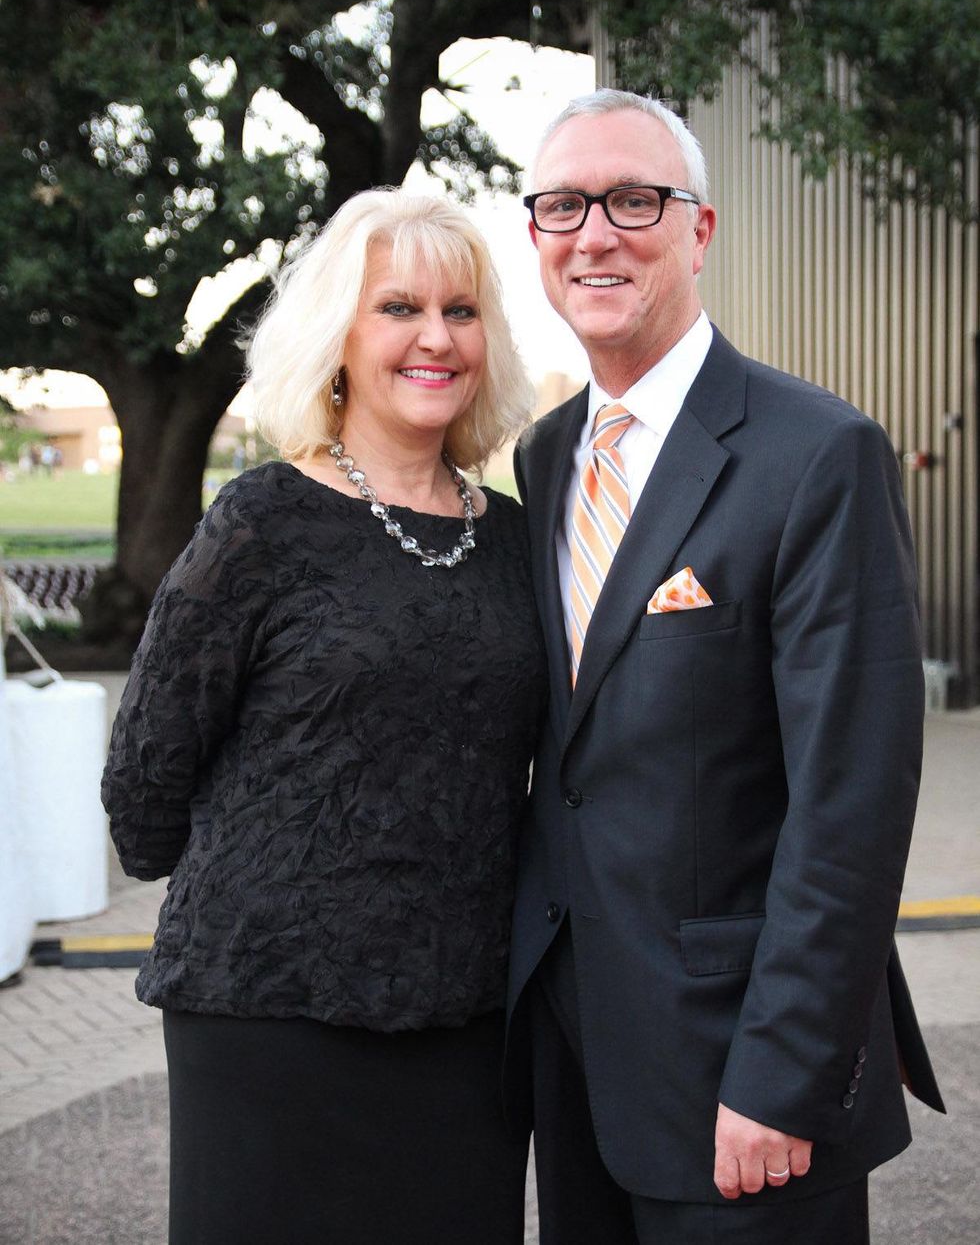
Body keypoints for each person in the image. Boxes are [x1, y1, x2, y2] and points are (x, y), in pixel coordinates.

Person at [505, 88, 945, 1245]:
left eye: (632, 199)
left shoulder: (816, 454)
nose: (593, 234)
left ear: (697, 230)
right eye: (561, 206)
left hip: (739, 1081)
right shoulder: (545, 456)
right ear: (535, 236)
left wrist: (782, 1072)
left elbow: (850, 801)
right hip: (576, 1064)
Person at [102, 188, 546, 1245]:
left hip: (467, 1021)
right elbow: (143, 785)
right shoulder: (262, 521)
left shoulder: (517, 540)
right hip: (269, 1014)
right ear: (337, 337)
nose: (435, 337)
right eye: (398, 308)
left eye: (461, 310)